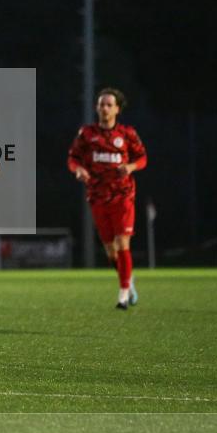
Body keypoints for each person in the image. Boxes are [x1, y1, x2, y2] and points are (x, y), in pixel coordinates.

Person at [67, 87, 148, 310]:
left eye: (109, 104)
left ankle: (122, 295)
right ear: (97, 107)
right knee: (110, 250)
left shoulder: (127, 134)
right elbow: (73, 158)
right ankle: (128, 282)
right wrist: (79, 170)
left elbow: (142, 157)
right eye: (101, 104)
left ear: (117, 109)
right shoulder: (87, 134)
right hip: (97, 196)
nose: (104, 108)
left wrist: (130, 166)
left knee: (123, 243)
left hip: (122, 195)